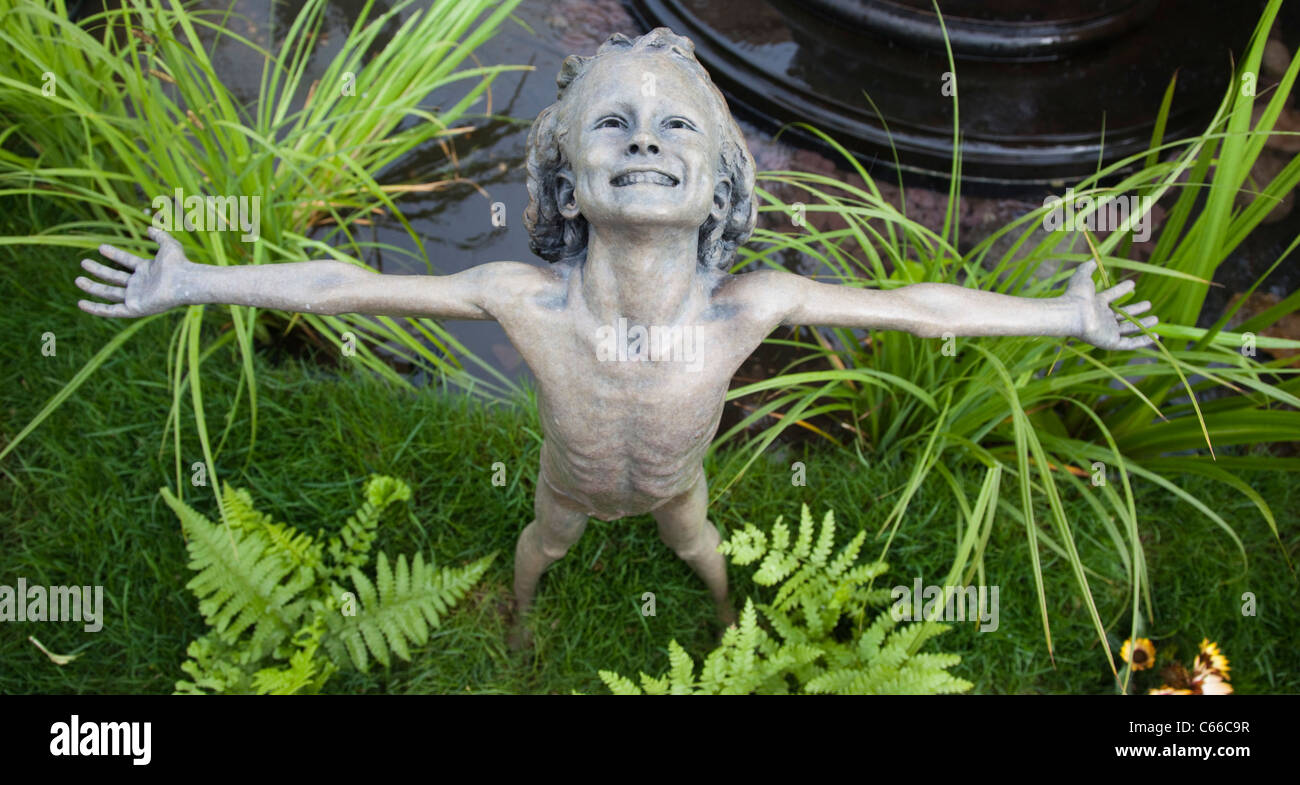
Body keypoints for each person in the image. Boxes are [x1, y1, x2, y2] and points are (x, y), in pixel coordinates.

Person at [75, 28, 1157, 641]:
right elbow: (342, 284)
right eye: (611, 121)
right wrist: (195, 279)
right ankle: (519, 611)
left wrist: (1066, 311)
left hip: (677, 482)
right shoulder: (525, 298)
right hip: (570, 483)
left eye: (675, 122)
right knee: (543, 541)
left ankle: (727, 610)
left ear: (723, 177)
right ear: (566, 175)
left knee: (698, 541)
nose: (643, 137)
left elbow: (924, 307)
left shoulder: (750, 305)